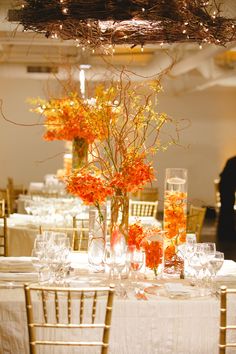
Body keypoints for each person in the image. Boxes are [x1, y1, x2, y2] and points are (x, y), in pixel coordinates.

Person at [217, 156, 236, 243]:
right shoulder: (233, 161)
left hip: (226, 187)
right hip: (226, 188)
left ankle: (225, 234)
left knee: (226, 210)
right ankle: (227, 234)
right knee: (227, 209)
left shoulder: (232, 160)